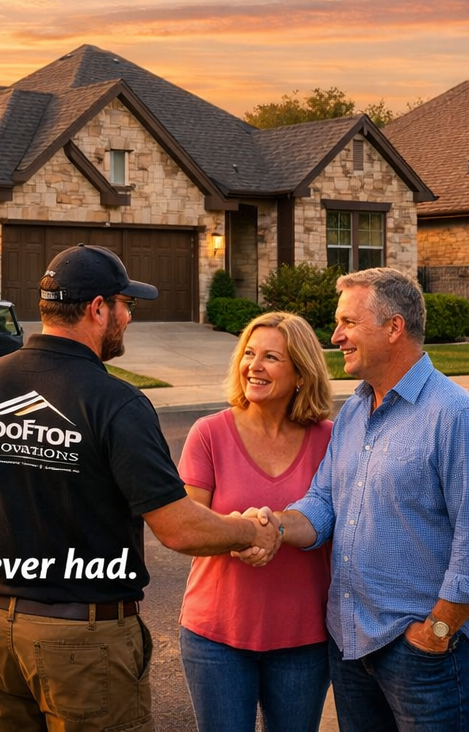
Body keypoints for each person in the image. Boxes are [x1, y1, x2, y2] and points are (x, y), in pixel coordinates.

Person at [0, 244, 282, 732]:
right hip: (83, 642)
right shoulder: (117, 403)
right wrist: (250, 532)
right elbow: (178, 528)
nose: (128, 317)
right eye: (125, 304)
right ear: (97, 309)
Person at [272, 267, 469, 732]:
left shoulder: (457, 416)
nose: (336, 335)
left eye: (348, 323)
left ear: (394, 327)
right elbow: (324, 501)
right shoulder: (357, 410)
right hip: (350, 644)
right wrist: (274, 527)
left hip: (423, 657)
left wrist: (436, 633)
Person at [177, 311, 334, 732]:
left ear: (301, 373)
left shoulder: (330, 439)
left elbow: (334, 520)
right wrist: (247, 530)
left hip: (304, 637)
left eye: (271, 357)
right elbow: (190, 526)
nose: (254, 366)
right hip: (216, 635)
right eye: (249, 353)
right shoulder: (208, 433)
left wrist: (269, 529)